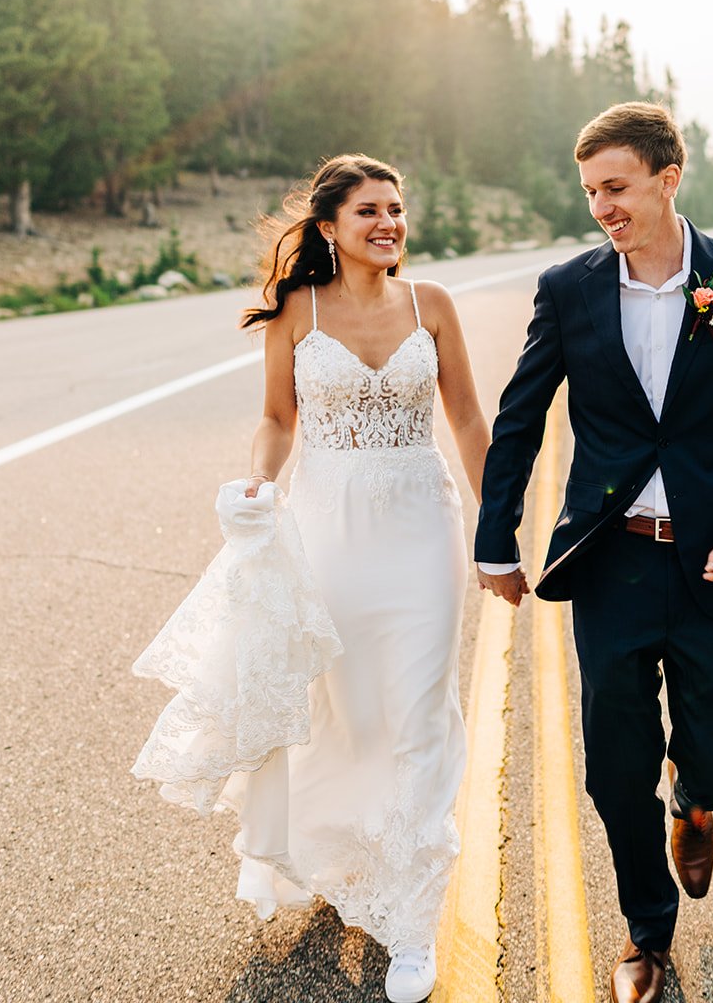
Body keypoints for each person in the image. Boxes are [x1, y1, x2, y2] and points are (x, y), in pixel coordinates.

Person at [474, 102, 713, 1003]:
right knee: (614, 763)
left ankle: (697, 796)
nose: (602, 209)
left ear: (668, 179)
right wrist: (494, 538)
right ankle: (646, 931)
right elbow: (520, 418)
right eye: (590, 192)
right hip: (611, 563)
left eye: (616, 188)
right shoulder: (570, 287)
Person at [133, 154, 490, 1003]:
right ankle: (340, 852)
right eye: (369, 210)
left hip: (420, 524)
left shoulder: (431, 305)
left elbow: (469, 417)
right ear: (329, 227)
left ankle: (410, 919)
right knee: (340, 705)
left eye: (397, 208)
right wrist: (260, 480)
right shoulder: (299, 310)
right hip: (328, 527)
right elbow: (275, 419)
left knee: (416, 706)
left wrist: (499, 529)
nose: (388, 223)